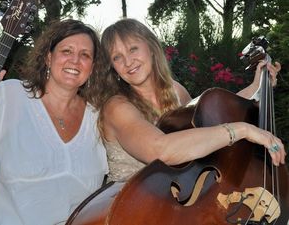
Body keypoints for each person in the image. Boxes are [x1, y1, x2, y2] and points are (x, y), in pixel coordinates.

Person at [0, 19, 108, 225]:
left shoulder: (99, 117)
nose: (75, 60)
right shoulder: (10, 95)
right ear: (48, 57)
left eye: (85, 55)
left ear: (92, 67)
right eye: (66, 51)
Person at [92, 18, 286, 183]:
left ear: (151, 48)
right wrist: (243, 129)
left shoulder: (175, 90)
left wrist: (258, 86)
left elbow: (209, 123)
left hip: (178, 203)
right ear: (112, 67)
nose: (128, 62)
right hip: (133, 209)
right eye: (117, 57)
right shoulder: (116, 107)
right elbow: (159, 150)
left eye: (133, 49)